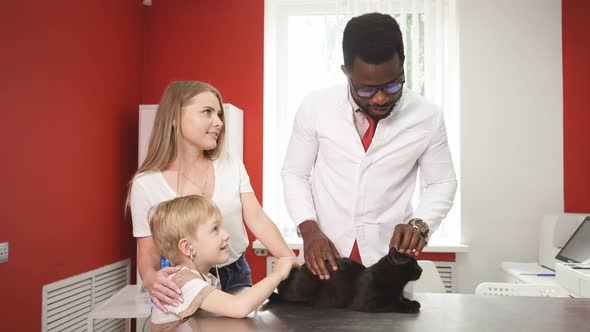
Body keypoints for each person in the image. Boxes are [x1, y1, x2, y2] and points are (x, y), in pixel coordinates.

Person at [281, 13, 457, 280]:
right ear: (346, 72)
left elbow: (442, 181)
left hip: (386, 263)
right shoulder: (315, 107)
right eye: (365, 89)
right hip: (325, 260)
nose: (380, 98)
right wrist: (309, 229)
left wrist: (420, 224)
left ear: (403, 65)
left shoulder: (427, 116)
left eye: (393, 85)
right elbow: (295, 172)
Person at [129, 81, 296, 311]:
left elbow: (257, 218)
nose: (218, 122)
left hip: (236, 274)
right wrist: (150, 279)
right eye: (207, 112)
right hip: (185, 283)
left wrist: (292, 263)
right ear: (175, 117)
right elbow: (147, 252)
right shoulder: (145, 184)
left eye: (219, 114)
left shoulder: (231, 165)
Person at [148, 195, 298, 330]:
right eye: (215, 229)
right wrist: (278, 274)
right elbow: (239, 307)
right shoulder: (183, 282)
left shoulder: (204, 279)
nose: (226, 235)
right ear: (188, 247)